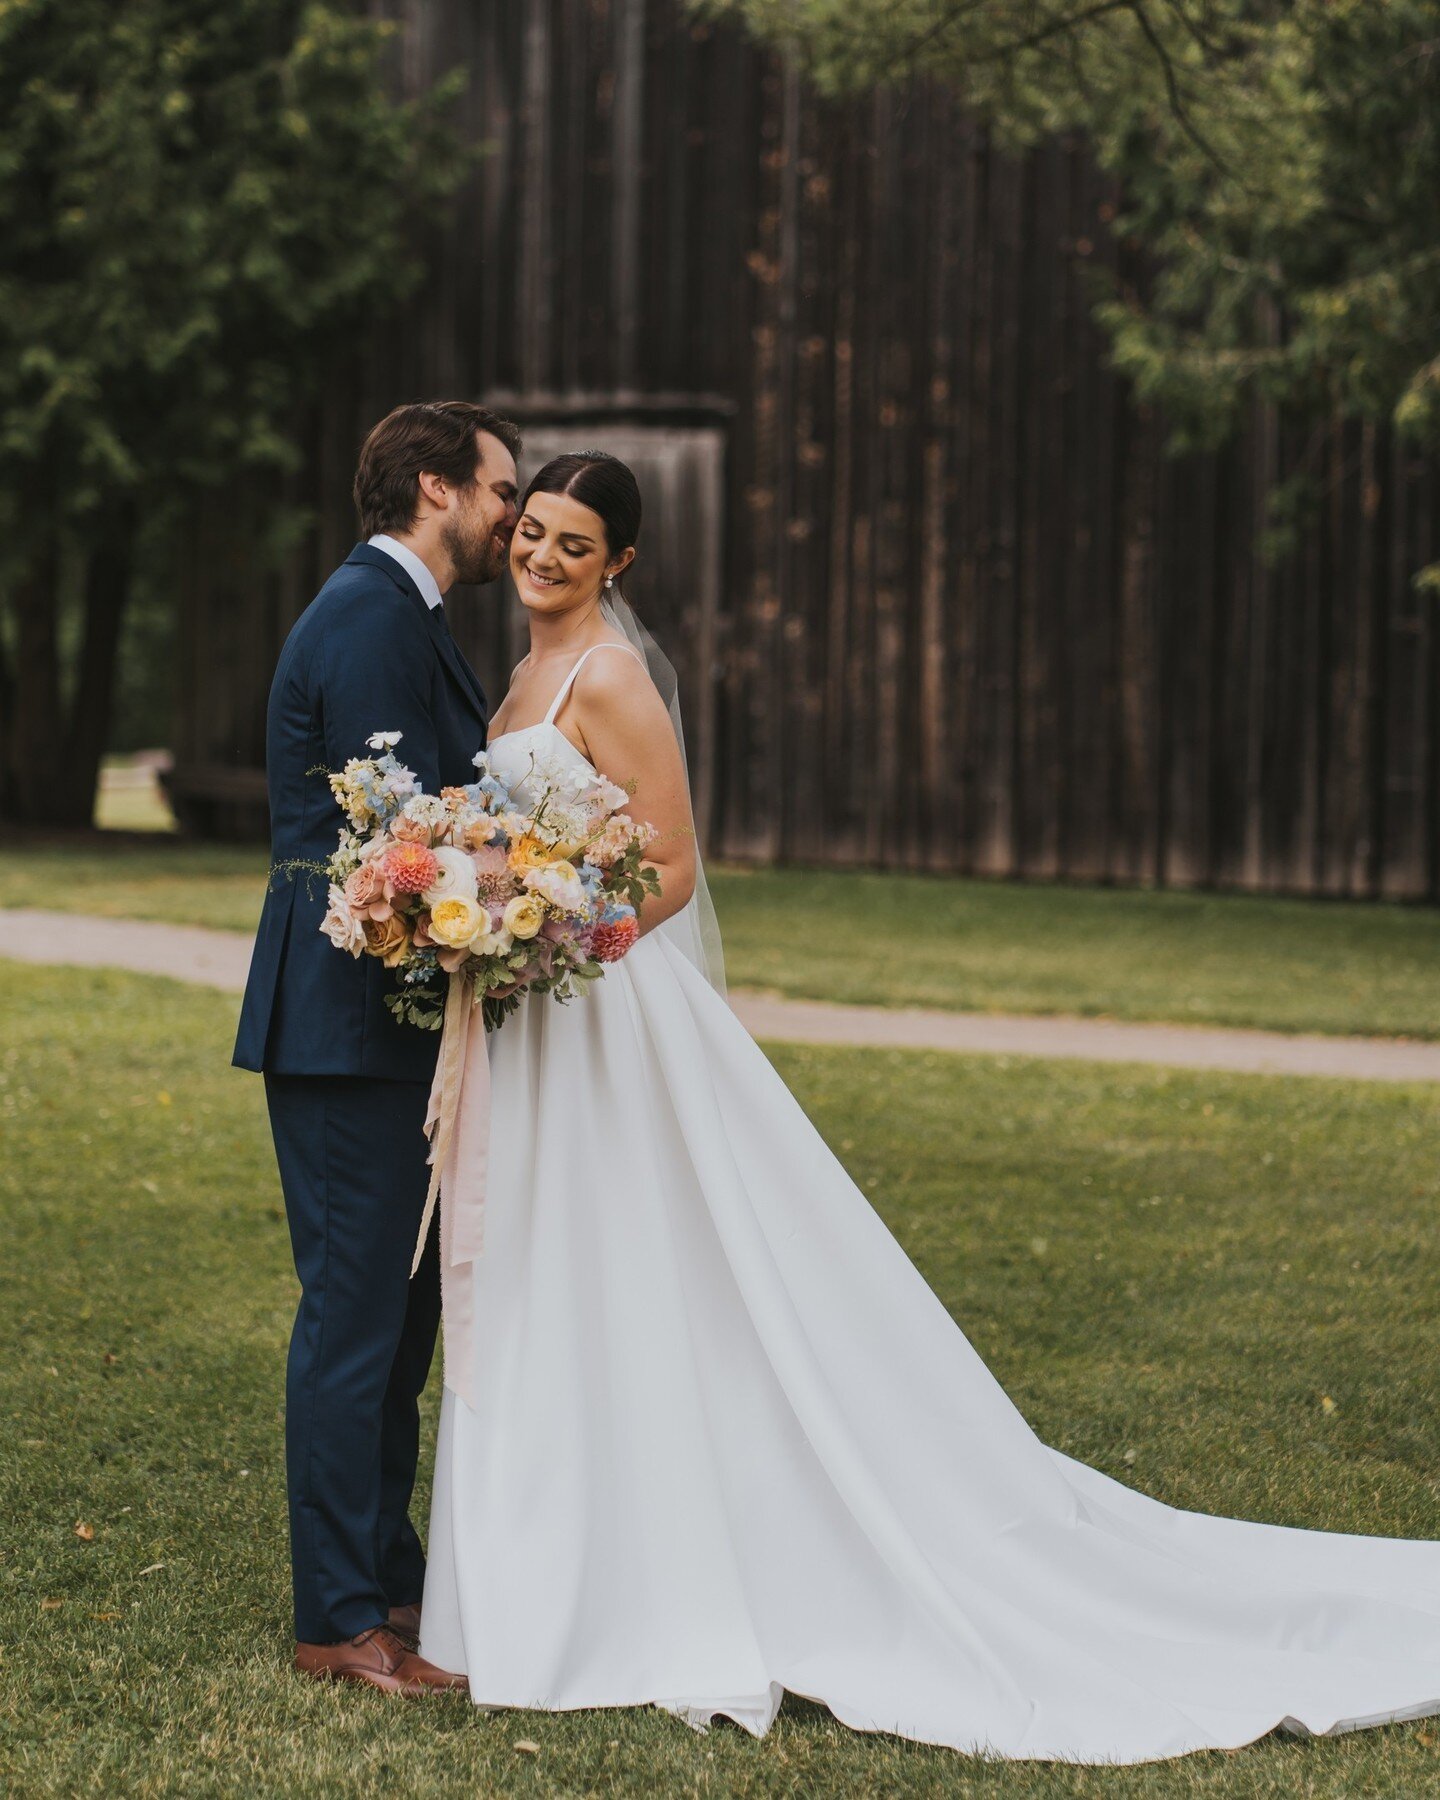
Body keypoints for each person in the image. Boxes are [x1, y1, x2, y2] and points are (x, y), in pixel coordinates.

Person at [417, 450, 1440, 1763]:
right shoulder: (516, 676)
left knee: (635, 1263)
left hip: (597, 1006)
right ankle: (555, 1562)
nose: (544, 557)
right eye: (535, 534)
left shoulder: (609, 675)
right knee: (555, 1276)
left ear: (620, 564)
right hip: (534, 1016)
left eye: (575, 545)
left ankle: (635, 1574)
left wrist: (558, 932)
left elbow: (672, 869)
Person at [233, 400, 519, 1693]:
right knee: (353, 1319)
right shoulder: (362, 619)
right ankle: (335, 1619)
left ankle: (390, 1582)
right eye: (501, 489)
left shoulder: (409, 619)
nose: (512, 515)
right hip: (348, 1024)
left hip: (397, 1026)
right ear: (436, 485)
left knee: (401, 1326)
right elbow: (387, 836)